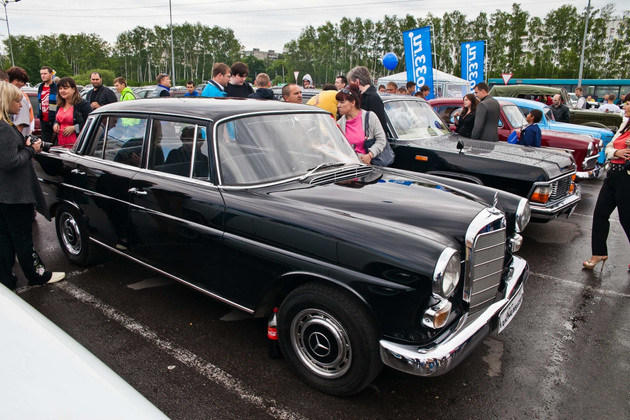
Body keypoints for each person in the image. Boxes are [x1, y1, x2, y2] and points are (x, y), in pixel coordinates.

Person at [0, 81, 66, 290]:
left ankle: (6, 277)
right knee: (22, 237)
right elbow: (9, 162)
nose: (20, 105)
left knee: (5, 236)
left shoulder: (5, 126)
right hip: (14, 193)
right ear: (6, 101)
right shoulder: (4, 129)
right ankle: (37, 275)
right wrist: (31, 150)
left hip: (5, 193)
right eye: (17, 101)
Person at [583, 104, 630, 270]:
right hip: (612, 175)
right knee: (600, 213)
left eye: (629, 104)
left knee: (627, 219)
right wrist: (617, 153)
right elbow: (609, 147)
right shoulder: (625, 125)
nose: (625, 106)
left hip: (627, 178)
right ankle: (598, 253)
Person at [336, 85, 387, 165]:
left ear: (353, 103)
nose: (338, 105)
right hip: (348, 167)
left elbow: (381, 140)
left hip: (368, 166)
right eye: (338, 102)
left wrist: (370, 155)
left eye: (342, 102)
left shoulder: (370, 117)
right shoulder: (339, 124)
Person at [347, 66, 387, 134]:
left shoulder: (373, 98)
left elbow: (380, 125)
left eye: (351, 83)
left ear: (357, 82)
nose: (350, 87)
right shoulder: (361, 96)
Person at [53, 77, 91, 147]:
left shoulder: (82, 104)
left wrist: (74, 128)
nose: (62, 91)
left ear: (73, 89)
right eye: (60, 89)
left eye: (65, 88)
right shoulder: (60, 104)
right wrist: (56, 124)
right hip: (60, 143)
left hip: (77, 144)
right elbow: (56, 119)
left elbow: (90, 123)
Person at [7, 66, 34, 136]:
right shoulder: (10, 97)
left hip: (17, 138)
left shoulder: (21, 99)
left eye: (22, 81)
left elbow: (19, 126)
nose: (21, 84)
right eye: (18, 80)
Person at [37, 66, 58, 144]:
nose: (43, 76)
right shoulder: (40, 87)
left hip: (54, 119)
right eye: (41, 74)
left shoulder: (56, 87)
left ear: (51, 74)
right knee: (45, 143)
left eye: (45, 74)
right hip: (43, 120)